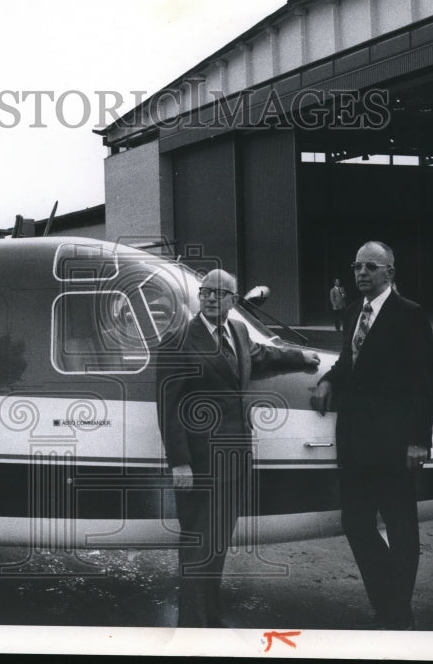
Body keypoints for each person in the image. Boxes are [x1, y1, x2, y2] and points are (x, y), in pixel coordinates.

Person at [157, 268, 319, 627]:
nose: (211, 297)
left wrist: (299, 358)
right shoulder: (179, 338)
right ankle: (194, 628)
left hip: (234, 458)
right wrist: (180, 463)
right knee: (199, 545)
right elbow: (168, 405)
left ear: (233, 300)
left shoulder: (238, 330)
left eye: (219, 292)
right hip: (200, 462)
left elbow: (260, 357)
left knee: (216, 545)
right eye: (206, 292)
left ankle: (209, 619)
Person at [310, 242, 433, 630]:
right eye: (356, 267)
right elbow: (350, 361)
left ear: (389, 273)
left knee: (401, 529)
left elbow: (423, 381)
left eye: (370, 266)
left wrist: (419, 440)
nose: (361, 273)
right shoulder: (353, 313)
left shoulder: (410, 315)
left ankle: (394, 614)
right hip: (355, 440)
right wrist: (329, 380)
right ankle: (393, 604)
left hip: (395, 443)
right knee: (356, 523)